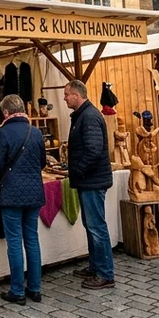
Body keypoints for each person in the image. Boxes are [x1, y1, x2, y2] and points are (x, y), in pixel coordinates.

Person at [0, 94, 46, 305]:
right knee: (32, 239)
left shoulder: (3, 132)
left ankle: (17, 291)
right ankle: (35, 288)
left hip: (11, 194)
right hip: (34, 193)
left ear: (6, 112)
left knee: (14, 241)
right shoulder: (36, 132)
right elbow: (42, 163)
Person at [64, 79, 114, 289]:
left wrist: (77, 169)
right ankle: (96, 266)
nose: (64, 98)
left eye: (67, 94)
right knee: (91, 225)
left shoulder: (90, 116)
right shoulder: (83, 115)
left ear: (77, 95)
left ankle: (105, 273)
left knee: (96, 227)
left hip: (92, 180)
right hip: (89, 180)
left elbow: (94, 151)